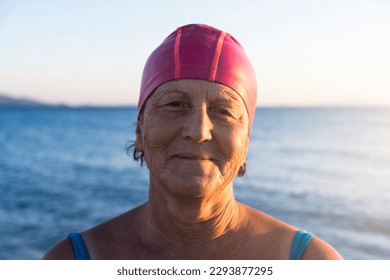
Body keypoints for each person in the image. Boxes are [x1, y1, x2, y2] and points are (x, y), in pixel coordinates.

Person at [43, 23, 342, 260]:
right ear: (139, 132)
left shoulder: (310, 263)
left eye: (223, 111)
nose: (199, 131)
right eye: (174, 105)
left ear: (246, 141)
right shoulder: (73, 263)